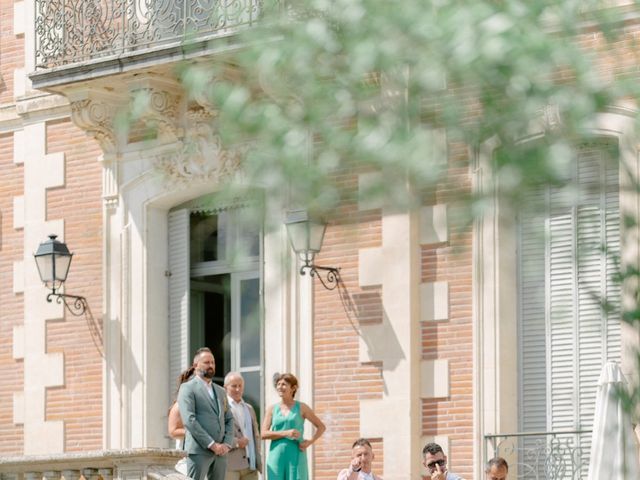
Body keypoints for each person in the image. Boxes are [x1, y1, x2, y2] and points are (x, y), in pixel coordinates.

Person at [178, 347, 235, 480]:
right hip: (199, 451)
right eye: (207, 362)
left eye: (213, 362)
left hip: (221, 453)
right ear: (195, 365)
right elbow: (189, 420)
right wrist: (212, 445)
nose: (211, 365)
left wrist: (226, 443)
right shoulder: (187, 388)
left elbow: (229, 419)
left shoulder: (221, 391)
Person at [262, 373, 326, 480]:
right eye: (278, 384)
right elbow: (263, 434)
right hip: (276, 456)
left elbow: (321, 427)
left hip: (296, 453)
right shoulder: (272, 409)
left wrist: (310, 441)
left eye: (284, 384)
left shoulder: (302, 407)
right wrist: (286, 433)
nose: (280, 387)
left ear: (293, 388)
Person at [224, 372, 262, 480]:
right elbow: (217, 435)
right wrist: (236, 442)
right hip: (230, 465)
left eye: (240, 386)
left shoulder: (249, 408)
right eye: (234, 386)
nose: (237, 389)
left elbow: (256, 435)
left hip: (250, 464)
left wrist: (258, 456)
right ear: (225, 388)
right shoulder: (221, 408)